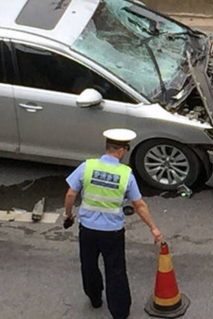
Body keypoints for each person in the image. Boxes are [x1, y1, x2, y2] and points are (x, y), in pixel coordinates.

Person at [63, 129, 163, 319]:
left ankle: (95, 298)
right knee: (115, 270)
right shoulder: (126, 175)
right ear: (120, 151)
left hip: (88, 229)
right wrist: (153, 228)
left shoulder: (87, 167)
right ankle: (120, 311)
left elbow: (70, 194)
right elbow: (139, 205)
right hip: (112, 233)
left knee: (89, 265)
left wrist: (68, 215)